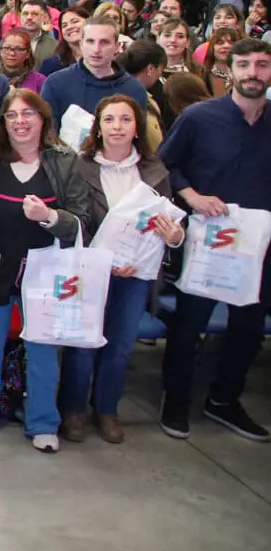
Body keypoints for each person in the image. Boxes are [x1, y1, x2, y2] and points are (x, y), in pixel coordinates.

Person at [0, 88, 88, 453]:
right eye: (12, 116)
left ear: (44, 119)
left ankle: (44, 422)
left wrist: (50, 218)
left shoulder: (64, 160)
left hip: (46, 270)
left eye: (28, 114)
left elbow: (83, 220)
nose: (20, 122)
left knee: (43, 349)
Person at [157, 37, 271, 442]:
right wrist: (191, 196)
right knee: (189, 325)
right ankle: (177, 399)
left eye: (261, 65)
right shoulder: (199, 118)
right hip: (205, 241)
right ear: (229, 69)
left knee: (248, 327)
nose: (252, 73)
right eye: (244, 65)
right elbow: (164, 165)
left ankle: (224, 400)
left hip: (258, 249)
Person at [55, 94, 179, 445]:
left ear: (137, 126)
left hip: (135, 275)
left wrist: (175, 235)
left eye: (125, 120)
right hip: (91, 269)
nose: (117, 127)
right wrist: (104, 256)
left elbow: (167, 221)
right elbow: (74, 218)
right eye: (109, 120)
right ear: (98, 126)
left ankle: (107, 408)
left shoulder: (155, 171)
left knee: (120, 345)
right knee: (83, 343)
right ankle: (73, 408)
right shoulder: (80, 166)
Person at [41, 14, 149, 133]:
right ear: (81, 44)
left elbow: (138, 138)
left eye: (104, 42)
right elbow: (48, 136)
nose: (96, 49)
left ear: (116, 47)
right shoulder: (55, 84)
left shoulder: (135, 89)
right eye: (90, 41)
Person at [0, 28, 47, 93]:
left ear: (28, 53)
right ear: (0, 51)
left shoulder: (40, 82)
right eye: (7, 48)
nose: (12, 53)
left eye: (18, 49)